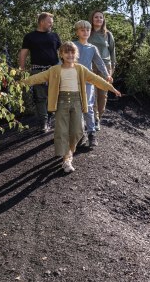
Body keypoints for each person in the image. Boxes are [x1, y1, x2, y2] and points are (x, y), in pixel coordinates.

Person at [21, 41, 121, 173]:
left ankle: (69, 151)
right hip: (61, 102)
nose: (70, 55)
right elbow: (37, 78)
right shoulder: (55, 70)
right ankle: (67, 159)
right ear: (61, 54)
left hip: (77, 102)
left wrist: (112, 88)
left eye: (72, 52)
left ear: (76, 54)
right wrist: (20, 83)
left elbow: (96, 79)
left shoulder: (80, 69)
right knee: (61, 131)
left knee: (77, 130)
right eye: (66, 52)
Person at [19, 12, 61, 133]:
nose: (51, 25)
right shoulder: (30, 36)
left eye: (52, 23)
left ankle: (49, 119)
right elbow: (23, 53)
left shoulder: (54, 35)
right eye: (49, 22)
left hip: (54, 70)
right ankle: (43, 123)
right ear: (41, 22)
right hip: (37, 70)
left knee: (53, 96)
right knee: (40, 97)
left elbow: (62, 51)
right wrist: (21, 69)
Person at [73, 20, 112, 148]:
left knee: (88, 107)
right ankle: (80, 134)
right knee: (76, 109)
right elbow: (61, 62)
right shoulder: (72, 46)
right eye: (82, 30)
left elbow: (100, 62)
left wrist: (107, 75)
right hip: (73, 82)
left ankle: (92, 134)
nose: (85, 32)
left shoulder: (92, 48)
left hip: (88, 81)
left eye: (88, 30)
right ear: (77, 32)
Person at [88, 10, 116, 130]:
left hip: (105, 66)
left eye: (101, 17)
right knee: (91, 92)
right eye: (96, 17)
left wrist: (112, 68)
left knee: (103, 94)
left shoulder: (108, 34)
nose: (98, 19)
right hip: (90, 65)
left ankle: (99, 116)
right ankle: (95, 119)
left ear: (103, 20)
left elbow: (112, 52)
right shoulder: (88, 32)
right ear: (92, 19)